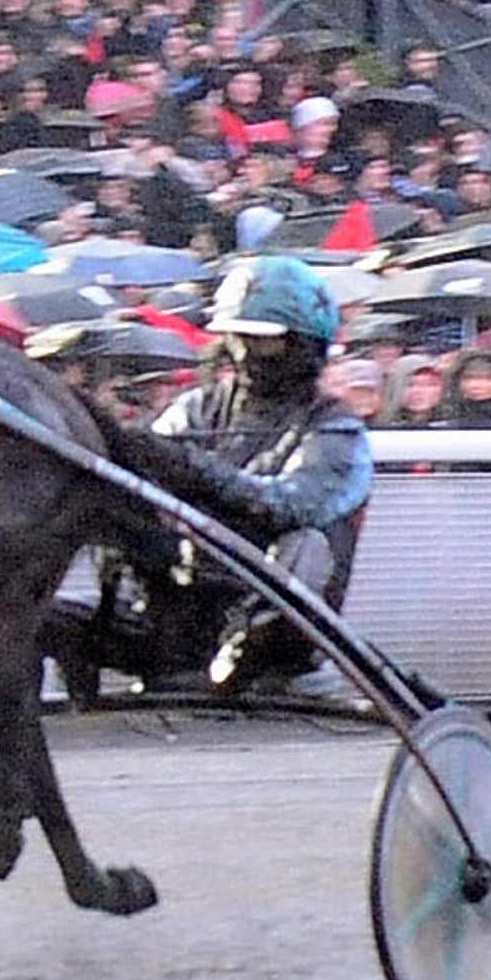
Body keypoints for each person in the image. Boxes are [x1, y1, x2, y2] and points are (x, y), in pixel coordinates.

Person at [131, 255, 377, 708]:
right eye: (238, 338)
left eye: (263, 343)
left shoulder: (336, 428)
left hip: (273, 600)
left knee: (305, 543)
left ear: (303, 345)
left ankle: (251, 656)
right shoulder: (196, 408)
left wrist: (193, 470)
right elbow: (147, 468)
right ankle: (153, 639)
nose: (245, 354)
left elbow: (292, 505)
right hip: (189, 590)